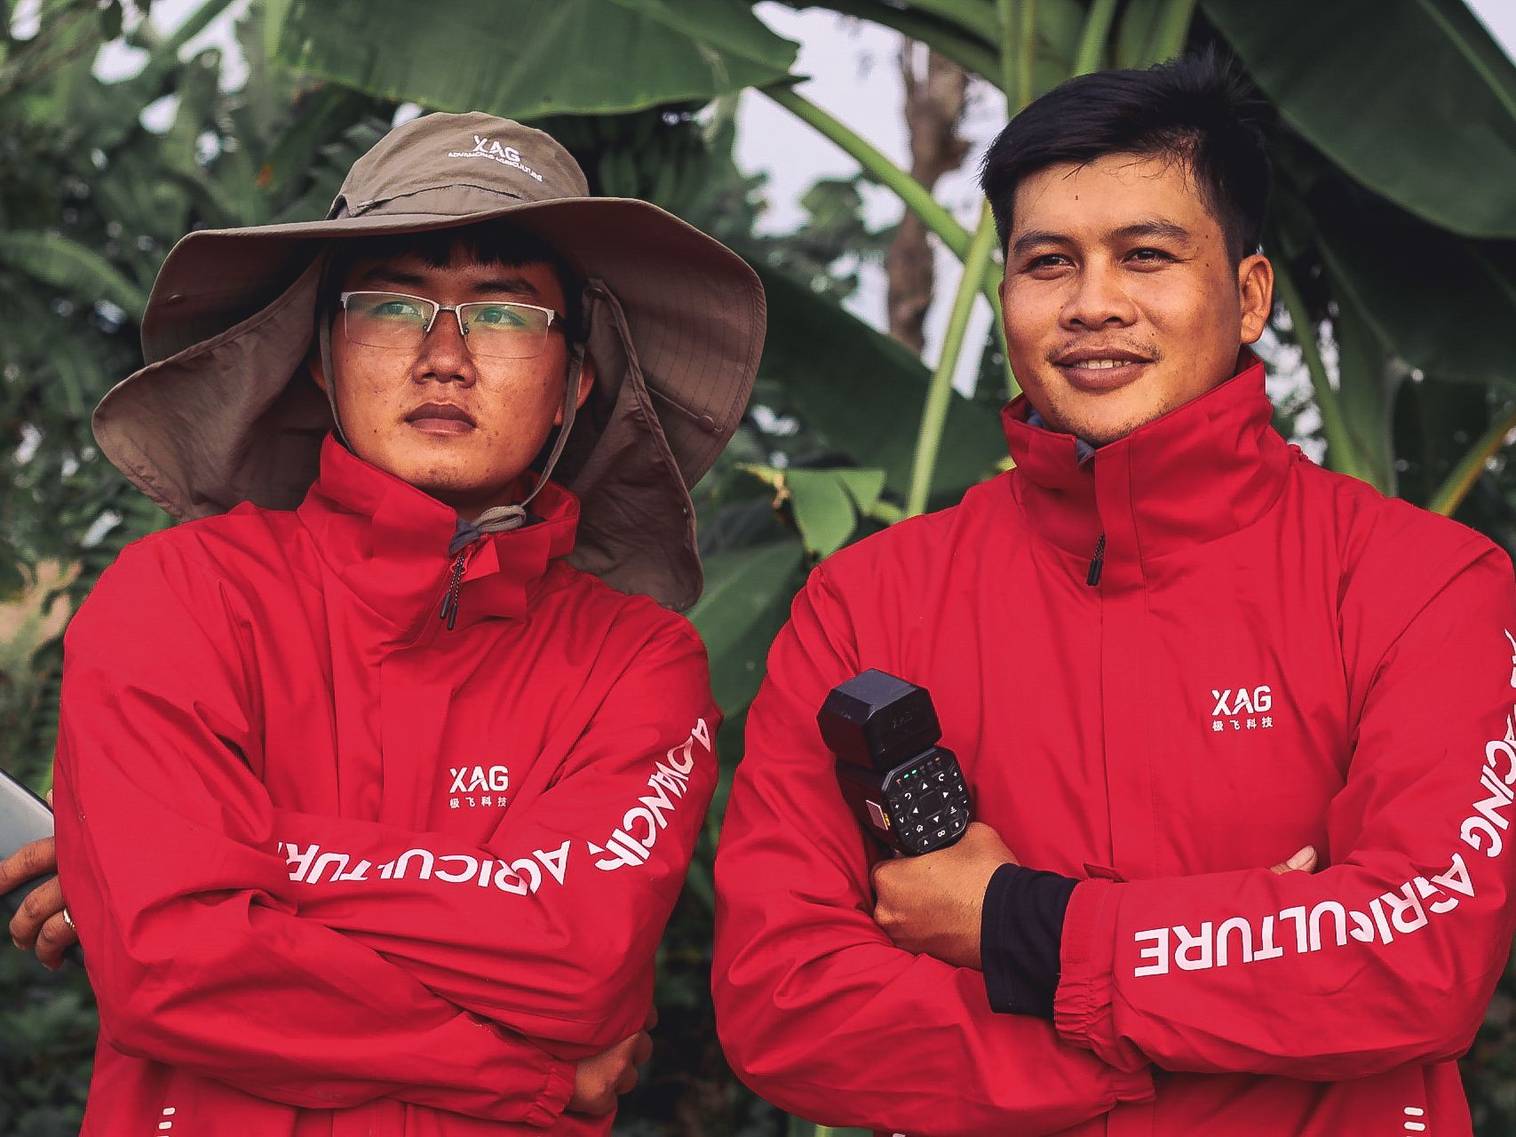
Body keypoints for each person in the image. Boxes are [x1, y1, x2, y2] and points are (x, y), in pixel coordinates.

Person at [712, 54, 1516, 1137]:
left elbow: (1418, 953)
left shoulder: (1424, 585)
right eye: (1048, 263)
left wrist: (1012, 925)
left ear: (1246, 297)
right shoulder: (868, 603)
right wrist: (1201, 1027)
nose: (1094, 305)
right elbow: (785, 999)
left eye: (1145, 257)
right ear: (1005, 297)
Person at [3, 110, 762, 1135]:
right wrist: (528, 1080)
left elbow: (577, 964)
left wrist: (207, 860)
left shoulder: (639, 662)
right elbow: (164, 964)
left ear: (573, 386)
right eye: (394, 306)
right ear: (320, 355)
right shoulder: (175, 596)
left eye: (504, 314)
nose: (444, 356)